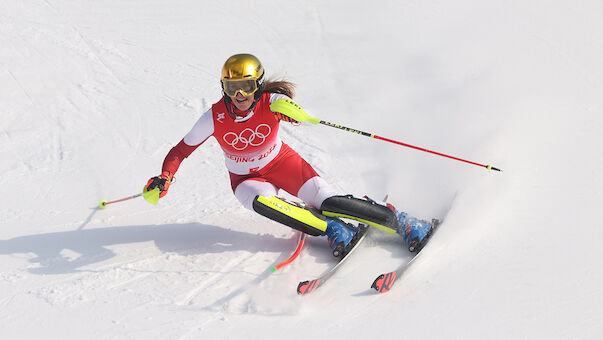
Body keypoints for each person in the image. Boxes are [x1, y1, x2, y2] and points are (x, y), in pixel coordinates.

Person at [145, 53, 434, 256]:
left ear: (257, 85)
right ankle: (334, 229)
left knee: (330, 201)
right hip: (246, 179)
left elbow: (295, 113)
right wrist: (164, 177)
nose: (239, 96)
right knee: (264, 203)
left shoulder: (272, 102)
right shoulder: (214, 117)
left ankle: (405, 223)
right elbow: (180, 151)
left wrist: (294, 114)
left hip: (283, 164)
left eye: (246, 87)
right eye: (232, 88)